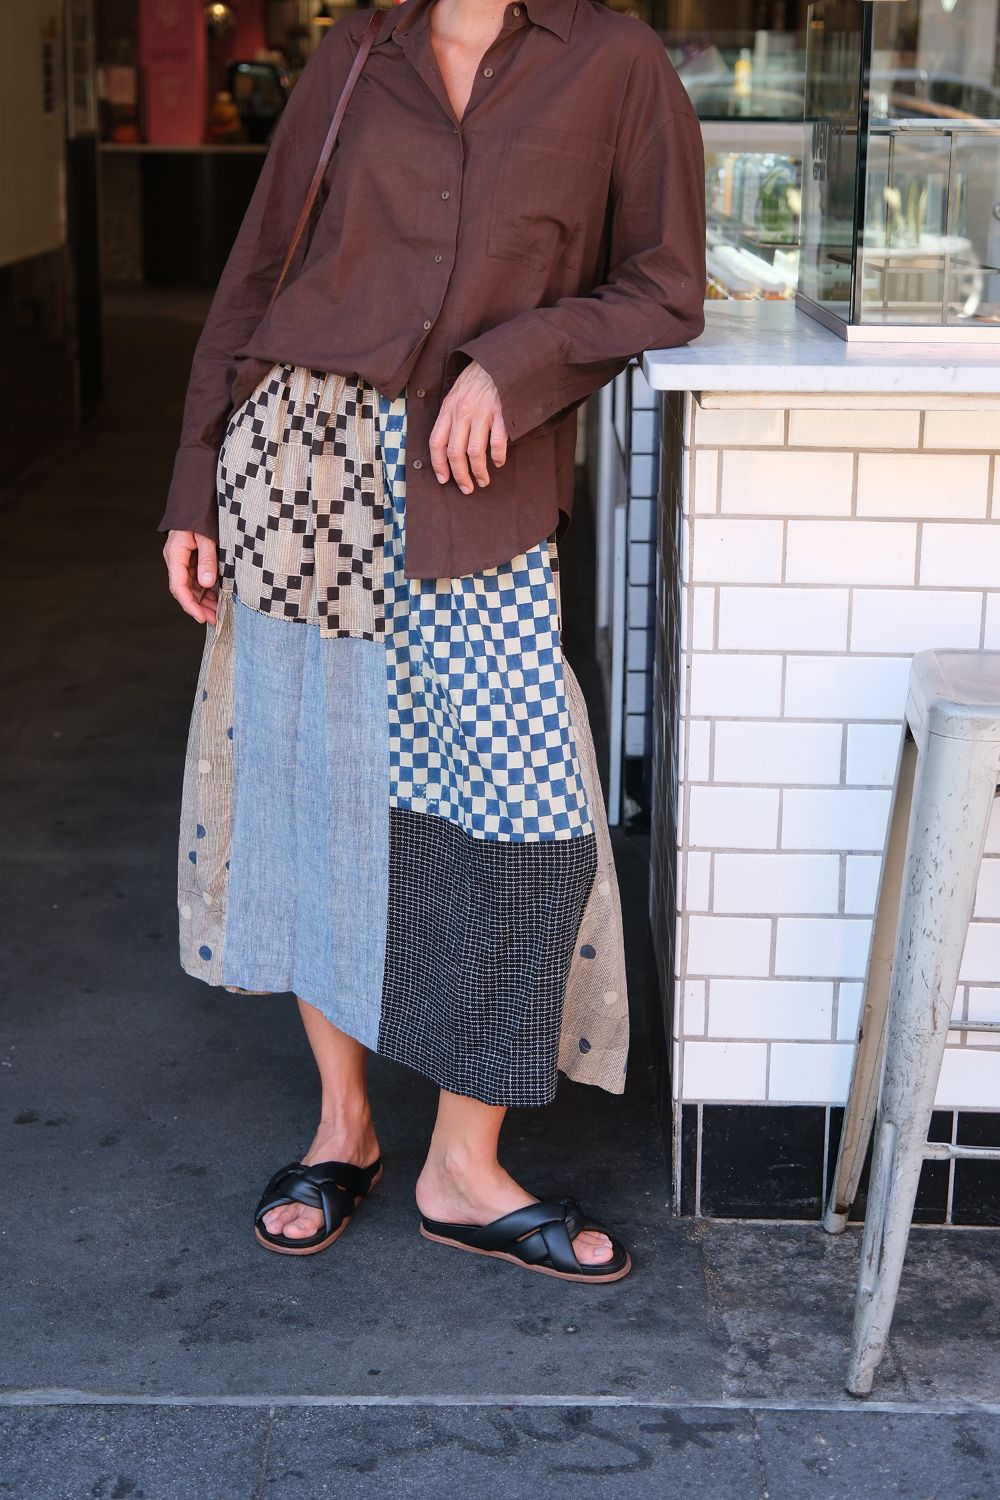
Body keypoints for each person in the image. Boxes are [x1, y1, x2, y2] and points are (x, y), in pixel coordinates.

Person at [159, 0, 706, 1283]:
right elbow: (257, 275)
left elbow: (663, 284)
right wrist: (194, 484)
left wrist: (513, 360)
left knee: (525, 822)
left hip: (475, 491)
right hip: (299, 471)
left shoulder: (614, 62)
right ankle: (342, 1128)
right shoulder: (359, 50)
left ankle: (464, 1164)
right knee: (320, 803)